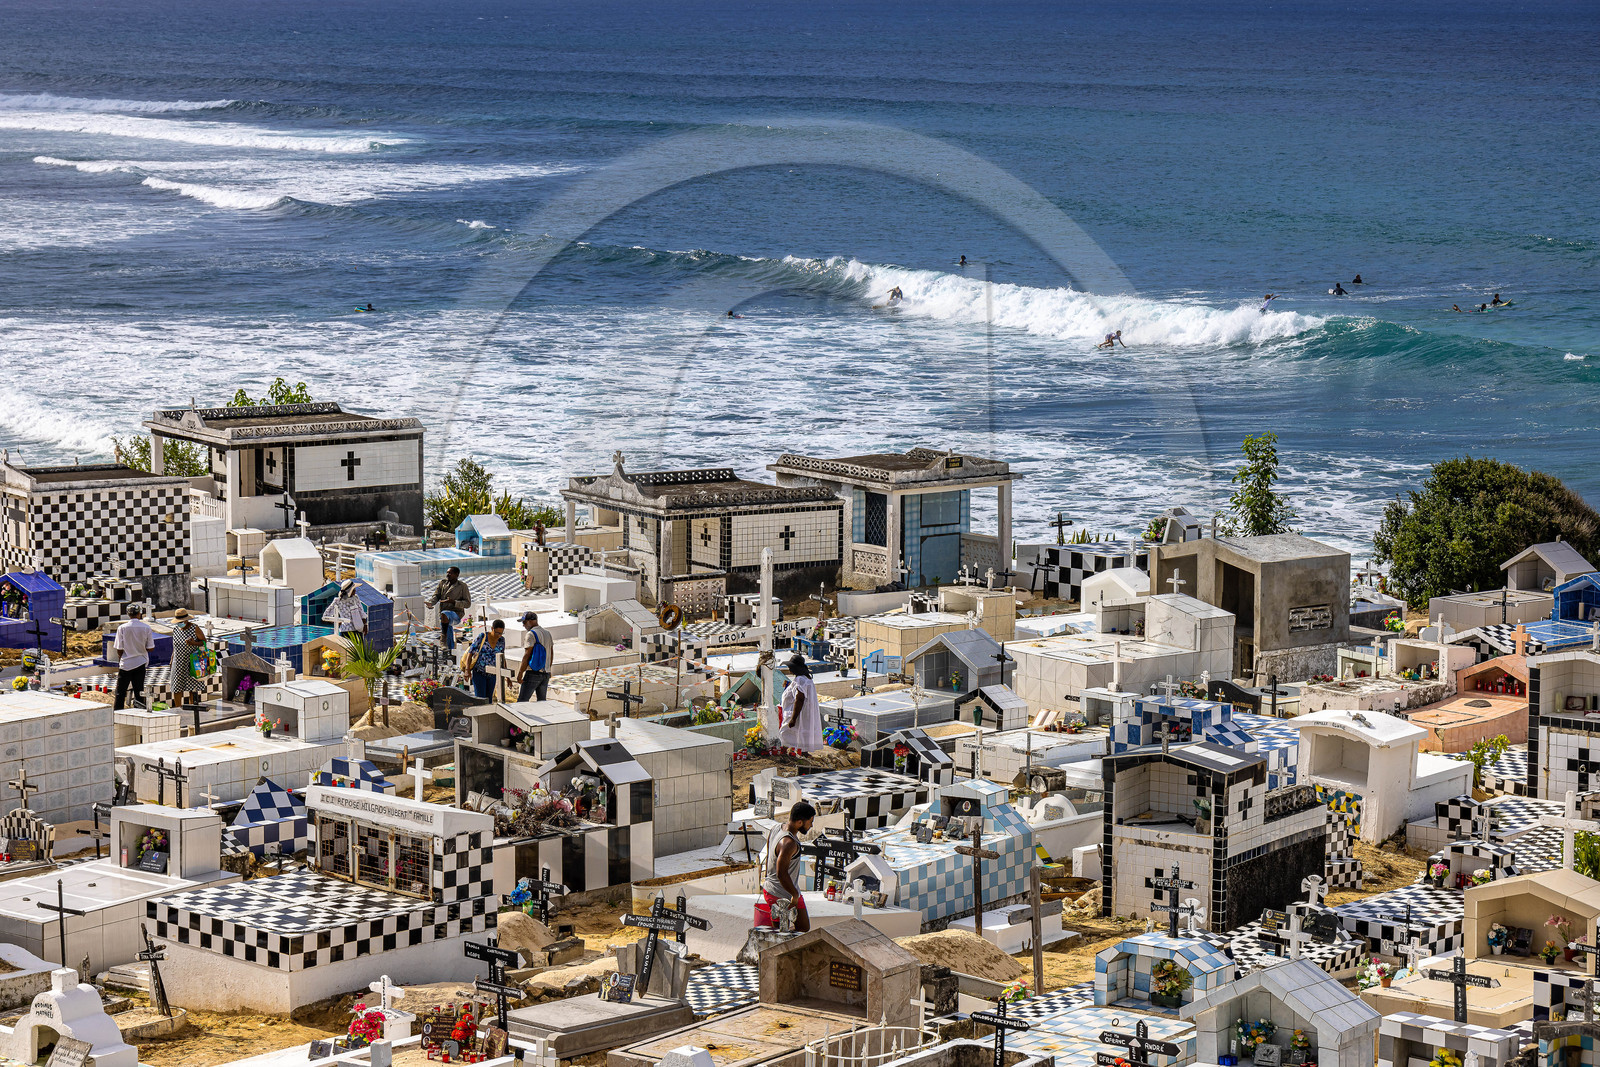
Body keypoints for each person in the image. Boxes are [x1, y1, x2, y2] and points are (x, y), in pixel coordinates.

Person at [754, 801, 816, 931]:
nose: (811, 825)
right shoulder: (789, 843)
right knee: (781, 933)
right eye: (810, 821)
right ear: (800, 822)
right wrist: (794, 895)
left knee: (803, 928)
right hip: (777, 892)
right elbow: (781, 873)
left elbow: (769, 851)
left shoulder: (776, 828)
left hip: (788, 890)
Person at [112, 604, 156, 711]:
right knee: (139, 691)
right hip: (140, 662)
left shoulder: (122, 628)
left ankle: (117, 714)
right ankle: (139, 713)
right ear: (139, 614)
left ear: (128, 614)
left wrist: (121, 659)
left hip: (126, 664)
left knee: (120, 692)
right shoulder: (146, 628)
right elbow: (150, 648)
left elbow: (119, 648)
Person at [777, 653, 822, 753]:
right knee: (801, 735)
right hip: (804, 714)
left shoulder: (800, 680)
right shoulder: (805, 679)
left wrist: (793, 718)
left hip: (797, 714)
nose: (789, 669)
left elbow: (799, 699)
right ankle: (801, 752)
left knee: (785, 734)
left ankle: (785, 753)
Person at [168, 609, 209, 712]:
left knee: (192, 687)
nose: (180, 623)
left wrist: (193, 643)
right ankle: (178, 709)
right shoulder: (176, 630)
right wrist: (172, 659)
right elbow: (175, 647)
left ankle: (193, 708)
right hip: (178, 662)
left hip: (191, 662)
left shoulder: (194, 628)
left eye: (182, 621)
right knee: (177, 686)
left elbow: (203, 642)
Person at [426, 566, 471, 654]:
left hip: (456, 614)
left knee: (445, 615)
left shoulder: (462, 586)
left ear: (457, 574)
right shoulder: (442, 583)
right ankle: (450, 650)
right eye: (447, 572)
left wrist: (454, 602)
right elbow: (436, 596)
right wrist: (431, 603)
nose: (448, 574)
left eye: (450, 573)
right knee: (447, 627)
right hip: (443, 614)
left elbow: (467, 603)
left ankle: (443, 638)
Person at [517, 611, 554, 702]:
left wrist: (520, 673)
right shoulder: (547, 633)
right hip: (545, 674)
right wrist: (549, 669)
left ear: (530, 621)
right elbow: (551, 653)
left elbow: (527, 655)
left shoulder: (531, 634)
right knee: (541, 702)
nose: (523, 625)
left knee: (522, 701)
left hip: (533, 673)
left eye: (524, 622)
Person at [465, 619, 506, 701]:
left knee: (489, 699)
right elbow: (470, 653)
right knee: (481, 699)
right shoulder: (482, 637)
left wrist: (506, 676)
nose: (499, 635)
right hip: (480, 673)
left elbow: (502, 657)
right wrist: (467, 669)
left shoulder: (501, 640)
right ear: (492, 629)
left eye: (501, 633)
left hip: (492, 674)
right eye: (497, 633)